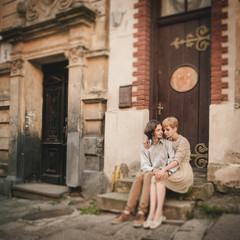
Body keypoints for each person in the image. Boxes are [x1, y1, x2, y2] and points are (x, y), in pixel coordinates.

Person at [111, 119, 176, 227]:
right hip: (151, 170)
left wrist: (164, 170)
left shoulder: (167, 144)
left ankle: (142, 212)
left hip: (162, 171)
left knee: (147, 176)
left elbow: (172, 160)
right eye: (158, 130)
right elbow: (144, 164)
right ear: (152, 132)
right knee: (138, 176)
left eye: (161, 130)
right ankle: (128, 211)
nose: (161, 132)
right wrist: (152, 170)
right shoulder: (145, 146)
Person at [143, 116, 194, 229]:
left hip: (183, 171)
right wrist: (148, 143)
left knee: (159, 179)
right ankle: (152, 213)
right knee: (153, 178)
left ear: (175, 129)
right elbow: (156, 143)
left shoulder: (183, 141)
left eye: (167, 129)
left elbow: (177, 161)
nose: (165, 132)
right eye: (164, 129)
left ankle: (159, 214)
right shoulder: (169, 140)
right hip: (171, 168)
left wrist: (164, 169)